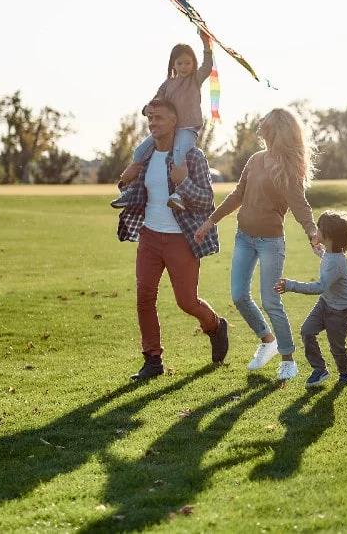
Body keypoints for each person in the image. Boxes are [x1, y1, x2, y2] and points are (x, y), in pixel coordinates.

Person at [194, 108, 321, 382]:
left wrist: (312, 231)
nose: (259, 123)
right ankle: (268, 340)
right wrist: (210, 221)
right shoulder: (255, 159)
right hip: (244, 237)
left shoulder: (287, 167)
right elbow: (237, 195)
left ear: (276, 128)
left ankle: (288, 359)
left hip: (270, 242)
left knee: (270, 300)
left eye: (264, 121)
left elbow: (299, 205)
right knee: (239, 295)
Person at [116, 98, 228, 380]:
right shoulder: (144, 156)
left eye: (160, 118)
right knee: (144, 297)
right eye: (150, 119)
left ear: (175, 121)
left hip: (181, 239)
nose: (153, 123)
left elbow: (206, 201)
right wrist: (125, 182)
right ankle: (153, 360)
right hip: (150, 237)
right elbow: (136, 191)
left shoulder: (192, 157)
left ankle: (215, 326)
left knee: (187, 302)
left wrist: (183, 182)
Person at [112, 29, 213, 211]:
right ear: (173, 64)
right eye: (180, 63)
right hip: (169, 128)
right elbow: (155, 102)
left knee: (179, 155)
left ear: (193, 64)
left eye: (188, 63)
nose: (184, 67)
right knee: (140, 152)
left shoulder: (195, 80)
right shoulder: (167, 85)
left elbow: (207, 65)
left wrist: (206, 44)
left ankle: (180, 194)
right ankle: (131, 190)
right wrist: (146, 109)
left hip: (187, 128)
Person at [275, 210, 347, 388]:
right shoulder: (331, 253)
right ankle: (319, 369)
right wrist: (318, 250)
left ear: (329, 236)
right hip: (325, 304)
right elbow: (327, 257)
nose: (316, 231)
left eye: (319, 229)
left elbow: (319, 287)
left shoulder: (337, 262)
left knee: (336, 346)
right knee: (307, 331)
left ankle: (346, 372)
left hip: (341, 311)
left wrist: (291, 285)